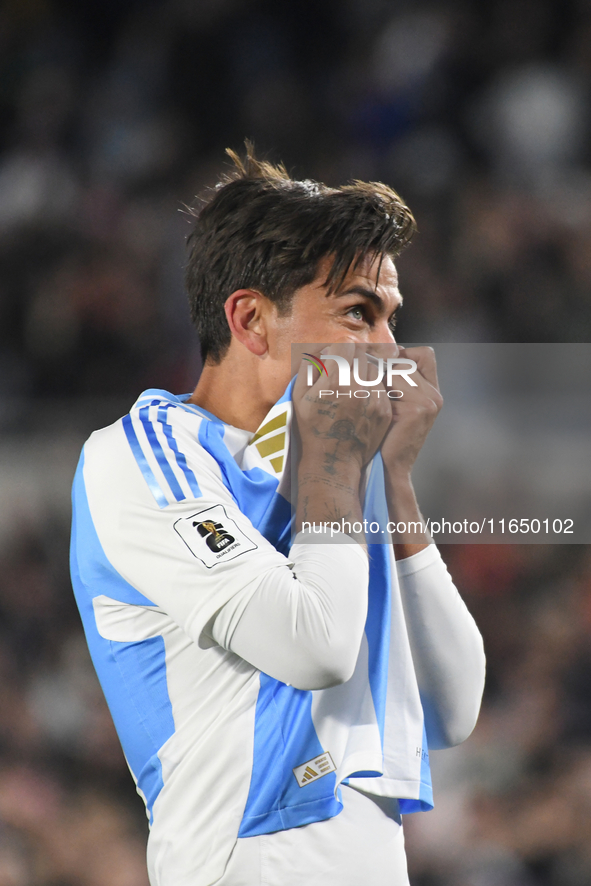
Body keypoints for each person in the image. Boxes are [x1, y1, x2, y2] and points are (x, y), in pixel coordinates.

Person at [70, 145, 486, 886]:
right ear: (252, 320)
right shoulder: (142, 458)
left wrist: (391, 479)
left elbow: (451, 709)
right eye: (359, 313)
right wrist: (335, 465)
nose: (390, 349)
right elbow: (314, 650)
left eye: (393, 318)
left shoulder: (343, 471)